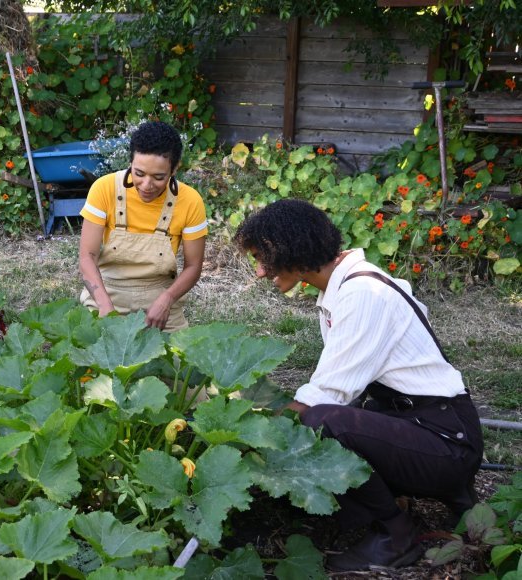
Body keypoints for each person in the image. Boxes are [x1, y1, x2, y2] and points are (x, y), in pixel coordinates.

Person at [234, 199, 483, 572]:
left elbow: (328, 395)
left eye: (263, 260)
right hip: (434, 428)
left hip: (447, 442)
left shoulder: (363, 294)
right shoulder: (351, 284)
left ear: (293, 252)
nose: (258, 272)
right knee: (337, 418)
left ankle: (397, 533)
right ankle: (442, 493)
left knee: (320, 424)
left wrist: (244, 430)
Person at [78, 121, 207, 331]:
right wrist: (104, 306)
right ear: (130, 162)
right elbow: (87, 257)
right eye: (139, 173)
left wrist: (166, 300)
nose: (146, 185)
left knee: (177, 362)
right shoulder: (103, 189)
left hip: (160, 300)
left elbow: (193, 267)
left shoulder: (191, 201)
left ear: (174, 169)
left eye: (158, 177)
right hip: (108, 292)